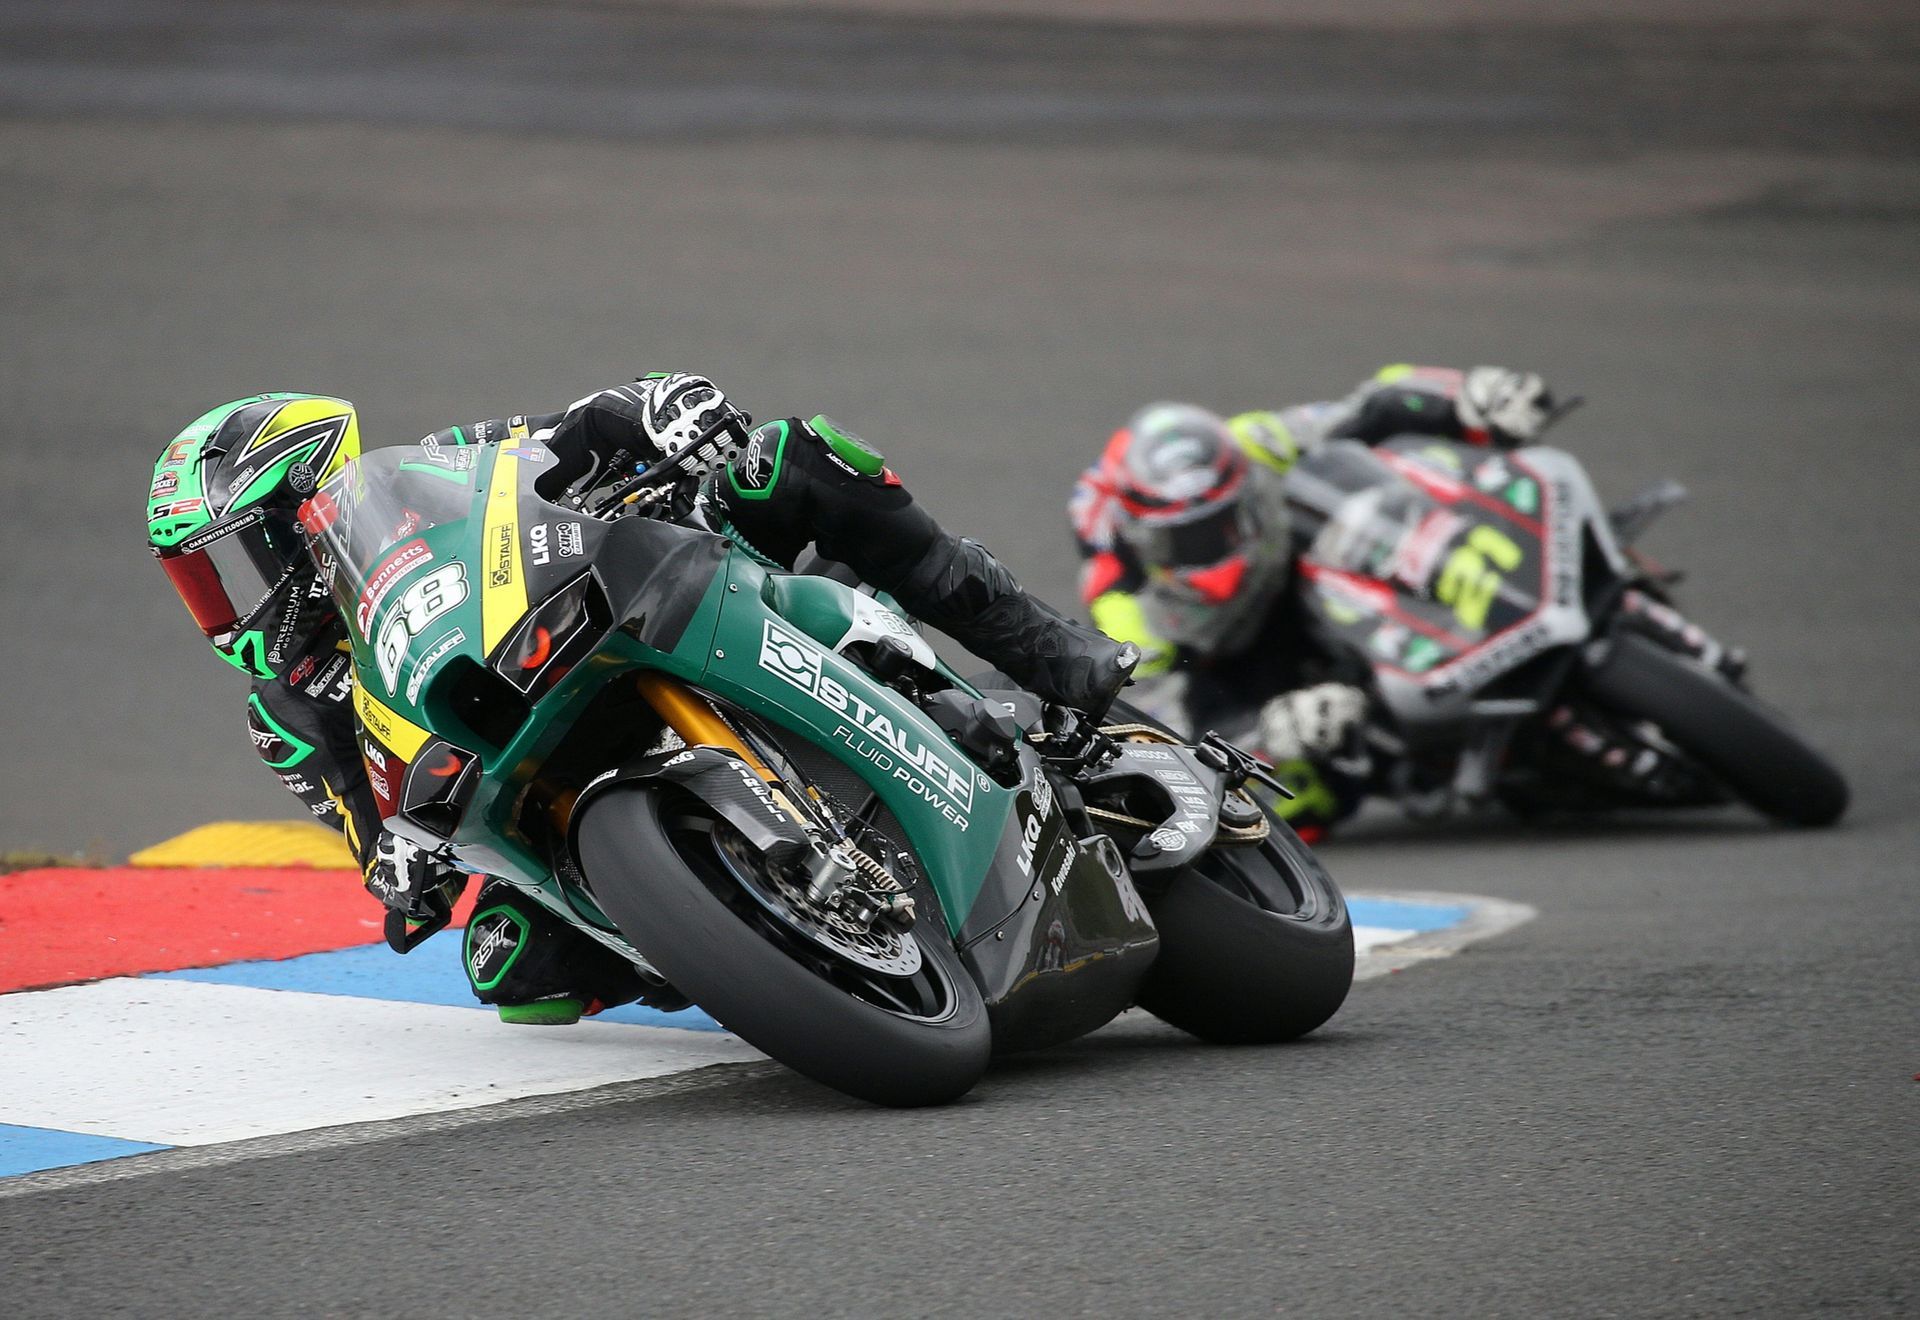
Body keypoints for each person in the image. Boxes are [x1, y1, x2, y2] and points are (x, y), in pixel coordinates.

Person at [149, 376, 1136, 1023]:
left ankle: (1054, 657)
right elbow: (373, 841)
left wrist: (665, 411)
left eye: (232, 561)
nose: (232, 603)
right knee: (507, 966)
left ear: (298, 511)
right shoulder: (287, 711)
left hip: (635, 595)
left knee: (794, 457)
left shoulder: (431, 470)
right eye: (201, 582)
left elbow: (581, 426)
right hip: (519, 767)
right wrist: (401, 871)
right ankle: (756, 941)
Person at [1068, 364, 1568, 837]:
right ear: (1146, 541)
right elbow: (1157, 738)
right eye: (1189, 541)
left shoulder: (1249, 444)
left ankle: (1473, 602)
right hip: (1244, 670)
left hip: (1295, 571)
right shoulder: (1125, 613)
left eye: (1224, 523)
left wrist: (1469, 396)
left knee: (1390, 471)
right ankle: (1407, 749)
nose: (1214, 546)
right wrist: (1265, 731)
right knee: (1294, 797)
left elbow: (1375, 403)